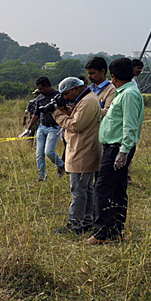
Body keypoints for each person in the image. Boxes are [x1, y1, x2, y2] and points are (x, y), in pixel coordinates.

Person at [87, 58, 144, 244]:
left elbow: (129, 124)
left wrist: (123, 151)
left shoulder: (128, 94)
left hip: (117, 147)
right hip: (116, 147)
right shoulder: (125, 92)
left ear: (114, 76)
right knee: (118, 189)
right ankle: (115, 229)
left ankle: (101, 233)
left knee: (102, 188)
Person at [51, 78, 102, 235]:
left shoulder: (87, 101)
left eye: (67, 94)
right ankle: (86, 221)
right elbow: (77, 119)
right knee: (86, 189)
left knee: (78, 191)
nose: (66, 97)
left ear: (76, 89)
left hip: (82, 151)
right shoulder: (88, 98)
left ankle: (75, 225)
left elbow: (75, 125)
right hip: (86, 149)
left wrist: (56, 113)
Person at [20, 76, 65, 181]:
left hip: (54, 128)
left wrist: (64, 127)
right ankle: (41, 176)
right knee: (39, 154)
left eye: (41, 89)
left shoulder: (58, 96)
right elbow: (36, 114)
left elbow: (65, 111)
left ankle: (61, 165)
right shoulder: (39, 98)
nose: (39, 91)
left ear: (48, 86)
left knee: (49, 152)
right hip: (42, 127)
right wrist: (28, 129)